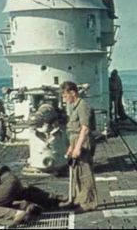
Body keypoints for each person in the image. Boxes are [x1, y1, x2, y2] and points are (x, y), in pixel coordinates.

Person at [60, 81, 97, 212]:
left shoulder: (83, 106)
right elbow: (74, 129)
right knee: (77, 172)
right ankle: (78, 199)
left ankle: (89, 203)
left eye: (65, 96)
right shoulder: (74, 106)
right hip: (76, 139)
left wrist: (78, 147)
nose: (64, 99)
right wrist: (71, 146)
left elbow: (85, 129)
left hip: (84, 141)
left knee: (85, 173)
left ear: (73, 93)